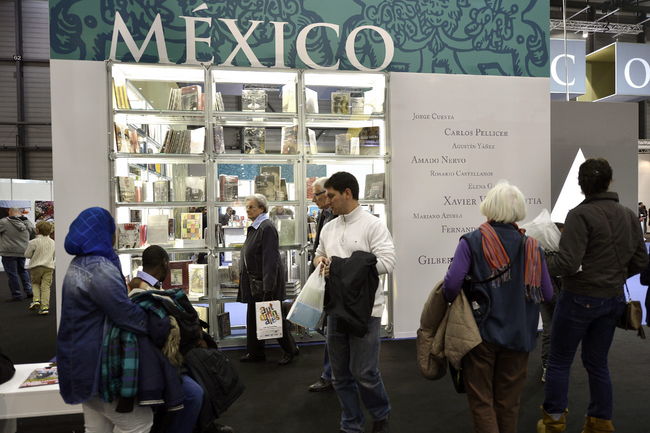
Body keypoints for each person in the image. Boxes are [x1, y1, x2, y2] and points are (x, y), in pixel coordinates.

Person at [538, 158, 648, 433]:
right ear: (609, 181)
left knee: (559, 361)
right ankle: (600, 422)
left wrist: (540, 261)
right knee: (598, 363)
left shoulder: (579, 215)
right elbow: (640, 262)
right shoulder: (628, 215)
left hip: (578, 297)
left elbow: (566, 264)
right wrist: (614, 276)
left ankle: (553, 423)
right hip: (612, 299)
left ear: (581, 185)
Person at [443, 181, 553, 433]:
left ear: (489, 207)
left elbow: (451, 286)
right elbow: (547, 293)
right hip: (520, 336)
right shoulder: (533, 246)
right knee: (509, 403)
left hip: (481, 334)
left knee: (482, 401)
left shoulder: (472, 241)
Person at [57, 207, 154, 432]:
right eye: (112, 230)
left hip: (77, 358)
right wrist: (158, 323)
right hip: (97, 361)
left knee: (96, 426)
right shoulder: (100, 268)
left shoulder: (78, 263)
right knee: (139, 423)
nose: (115, 235)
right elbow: (125, 315)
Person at [313, 172, 396, 433]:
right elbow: (318, 255)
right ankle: (351, 423)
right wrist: (321, 262)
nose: (327, 201)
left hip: (366, 311)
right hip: (335, 309)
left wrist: (343, 268)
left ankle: (381, 412)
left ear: (347, 193)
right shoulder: (329, 227)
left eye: (331, 196)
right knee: (339, 375)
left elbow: (388, 262)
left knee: (365, 373)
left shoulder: (373, 225)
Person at [127, 245, 234, 433]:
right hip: (158, 358)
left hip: (161, 353)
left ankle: (203, 424)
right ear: (164, 263)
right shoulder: (143, 291)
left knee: (204, 367)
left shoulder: (142, 287)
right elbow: (160, 331)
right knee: (200, 382)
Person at [238, 194, 298, 365]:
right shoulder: (257, 226)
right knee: (254, 317)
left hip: (264, 283)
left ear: (262, 208)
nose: (248, 210)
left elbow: (270, 259)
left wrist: (268, 287)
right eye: (247, 207)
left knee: (272, 316)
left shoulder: (266, 227)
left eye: (251, 207)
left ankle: (290, 350)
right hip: (255, 281)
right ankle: (255, 352)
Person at [308, 177, 336, 393]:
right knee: (328, 330)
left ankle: (331, 375)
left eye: (316, 194)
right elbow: (319, 248)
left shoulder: (337, 216)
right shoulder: (324, 215)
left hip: (336, 283)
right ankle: (331, 374)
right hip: (324, 279)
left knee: (332, 332)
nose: (313, 199)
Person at [539, 222, 564, 383]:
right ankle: (547, 365)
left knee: (555, 331)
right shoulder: (546, 256)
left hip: (559, 298)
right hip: (549, 299)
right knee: (550, 330)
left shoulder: (562, 253)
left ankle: (552, 364)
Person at [0, 208, 35, 301]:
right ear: (19, 213)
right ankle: (29, 291)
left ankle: (17, 294)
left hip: (8, 252)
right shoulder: (27, 222)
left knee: (12, 274)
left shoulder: (4, 222)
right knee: (23, 271)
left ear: (9, 212)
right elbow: (33, 234)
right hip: (23, 251)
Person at [24, 221, 55, 315]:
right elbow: (53, 255)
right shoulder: (53, 242)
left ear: (37, 230)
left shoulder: (33, 242)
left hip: (36, 267)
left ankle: (36, 300)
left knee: (35, 283)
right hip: (49, 267)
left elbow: (27, 255)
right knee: (46, 287)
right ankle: (45, 307)